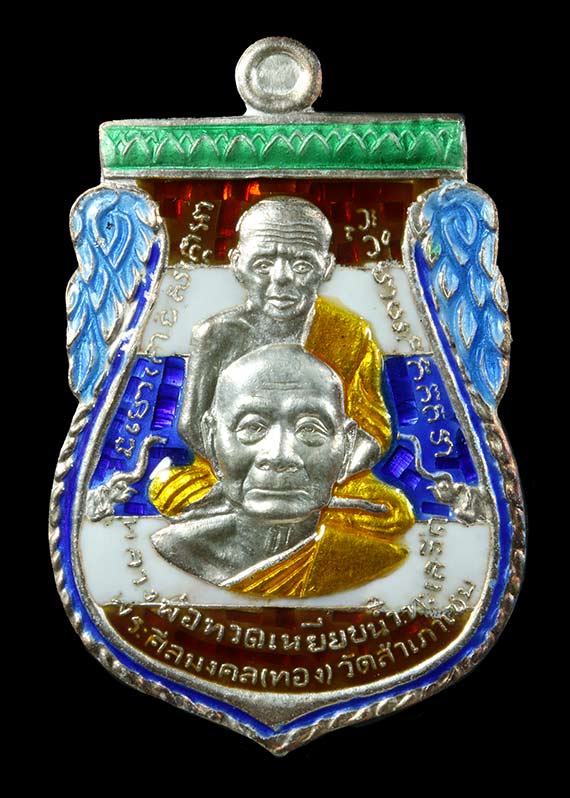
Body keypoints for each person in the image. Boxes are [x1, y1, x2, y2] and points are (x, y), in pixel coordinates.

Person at [149, 196, 402, 526]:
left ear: (326, 267)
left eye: (302, 265)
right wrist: (237, 476)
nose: (281, 277)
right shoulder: (217, 335)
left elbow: (372, 428)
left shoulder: (349, 334)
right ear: (237, 264)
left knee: (393, 512)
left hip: (319, 471)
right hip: (235, 470)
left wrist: (325, 478)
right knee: (170, 493)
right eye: (263, 264)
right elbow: (193, 425)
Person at [151, 345, 413, 597]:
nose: (279, 455)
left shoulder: (375, 562)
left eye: (310, 429)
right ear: (211, 440)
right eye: (252, 427)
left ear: (347, 447)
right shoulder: (175, 550)